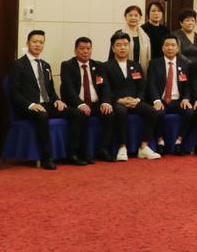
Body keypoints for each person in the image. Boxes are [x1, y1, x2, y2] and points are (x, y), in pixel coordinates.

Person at [14, 30, 86, 169]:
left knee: (77, 114)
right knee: (42, 115)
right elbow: (15, 92)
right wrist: (31, 105)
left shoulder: (45, 65)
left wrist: (57, 100)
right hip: (29, 107)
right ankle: (46, 157)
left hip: (47, 104)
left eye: (41, 42)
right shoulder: (18, 65)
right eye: (35, 42)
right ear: (27, 43)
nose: (38, 45)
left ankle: (72, 154)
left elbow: (51, 90)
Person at [105, 31, 162, 161]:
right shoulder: (106, 66)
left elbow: (142, 87)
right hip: (117, 102)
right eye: (119, 45)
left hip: (134, 101)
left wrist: (138, 99)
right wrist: (119, 100)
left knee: (152, 112)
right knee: (121, 112)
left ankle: (144, 147)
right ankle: (122, 147)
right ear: (113, 48)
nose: (122, 48)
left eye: (125, 44)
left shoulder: (136, 65)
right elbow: (105, 89)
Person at [59, 36, 113, 164]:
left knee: (110, 113)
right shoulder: (67, 65)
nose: (85, 51)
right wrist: (80, 104)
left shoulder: (98, 65)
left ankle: (103, 149)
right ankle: (76, 153)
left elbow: (105, 86)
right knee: (80, 115)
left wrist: (105, 102)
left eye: (88, 48)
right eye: (82, 48)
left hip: (95, 104)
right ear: (75, 50)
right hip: (76, 104)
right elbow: (68, 89)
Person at [145, 34, 193, 155]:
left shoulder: (185, 64)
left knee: (189, 112)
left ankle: (179, 141)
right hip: (161, 100)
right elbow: (151, 84)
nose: (170, 48)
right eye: (167, 45)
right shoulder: (154, 63)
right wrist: (156, 100)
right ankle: (160, 141)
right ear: (162, 48)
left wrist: (186, 98)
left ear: (178, 48)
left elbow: (188, 85)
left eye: (173, 45)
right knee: (157, 113)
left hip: (178, 100)